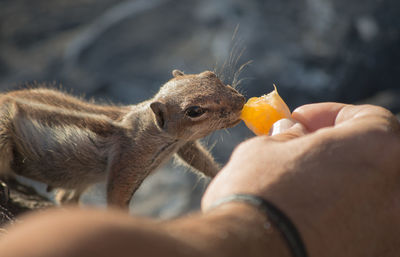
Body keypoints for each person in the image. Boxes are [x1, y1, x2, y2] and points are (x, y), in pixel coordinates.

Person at [0, 102, 399, 257]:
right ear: (161, 117)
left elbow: (187, 149)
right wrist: (270, 226)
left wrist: (228, 177)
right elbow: (114, 204)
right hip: (18, 136)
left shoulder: (168, 134)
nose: (230, 110)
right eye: (197, 113)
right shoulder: (135, 145)